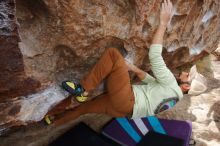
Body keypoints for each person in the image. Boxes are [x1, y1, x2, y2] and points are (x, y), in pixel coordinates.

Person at [53, 0, 190, 126]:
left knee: (113, 55)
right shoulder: (174, 97)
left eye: (188, 76)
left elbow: (154, 56)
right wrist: (134, 68)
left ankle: (83, 90)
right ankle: (52, 120)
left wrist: (163, 23)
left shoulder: (171, 83)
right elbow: (150, 80)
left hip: (127, 100)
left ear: (185, 87)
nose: (185, 72)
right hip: (122, 112)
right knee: (84, 109)